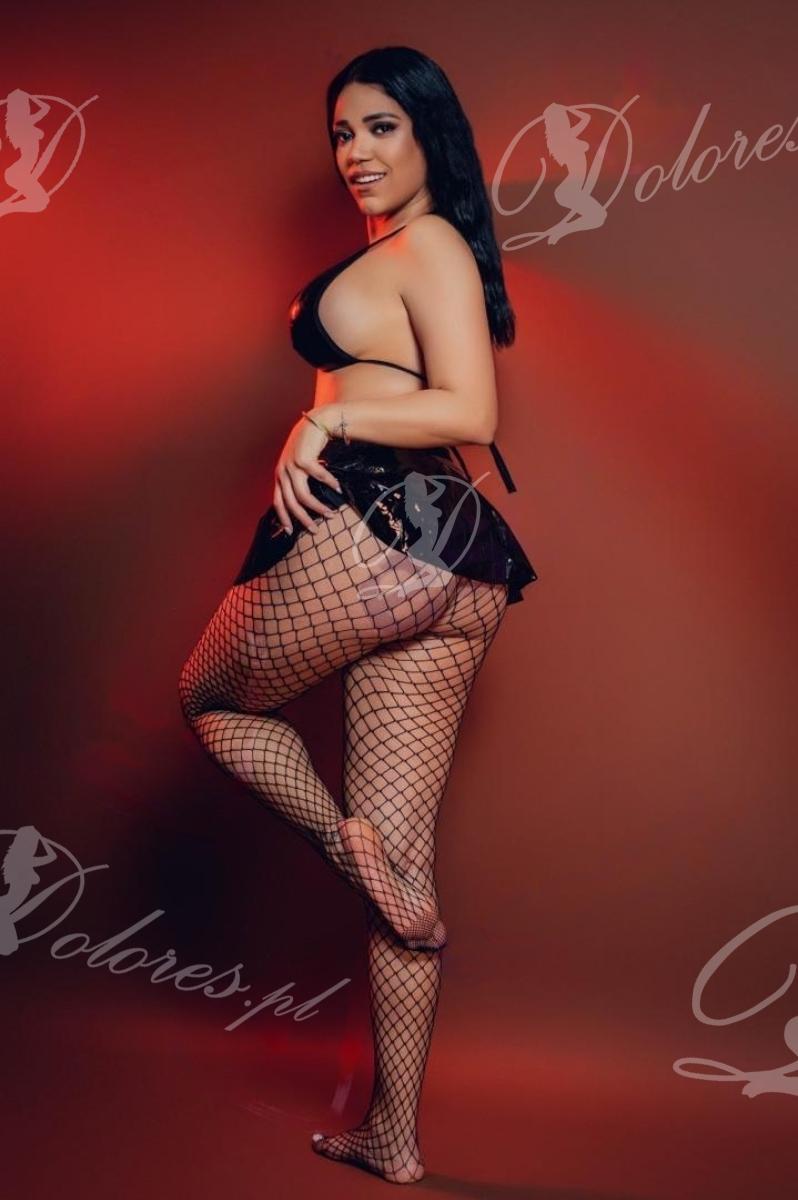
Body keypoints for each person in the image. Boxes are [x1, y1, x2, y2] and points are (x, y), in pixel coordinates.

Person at [178, 45, 538, 1186]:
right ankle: (395, 1137)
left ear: (431, 133)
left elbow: (471, 409)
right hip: (455, 564)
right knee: (408, 878)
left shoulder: (428, 245)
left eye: (381, 126)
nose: (355, 152)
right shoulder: (413, 252)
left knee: (211, 699)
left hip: (369, 531)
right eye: (342, 133)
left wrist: (324, 423)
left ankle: (348, 848)